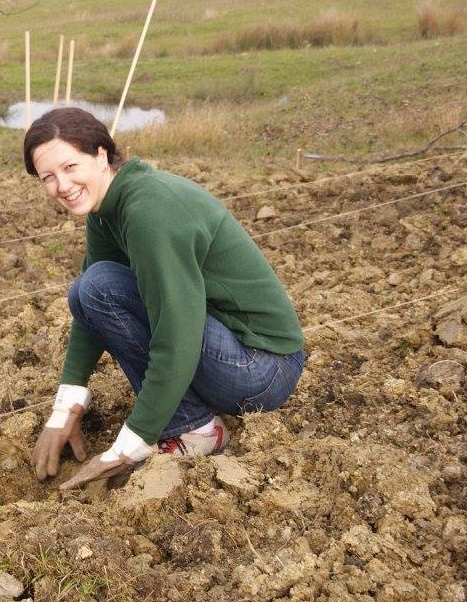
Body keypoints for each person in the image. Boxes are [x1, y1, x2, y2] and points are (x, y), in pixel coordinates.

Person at [24, 108, 306, 490]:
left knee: (98, 287)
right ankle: (191, 417)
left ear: (101, 154)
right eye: (48, 177)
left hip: (263, 369)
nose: (62, 185)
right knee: (88, 289)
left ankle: (196, 430)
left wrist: (128, 446)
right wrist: (65, 409)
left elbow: (177, 336)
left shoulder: (150, 211)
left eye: (70, 166)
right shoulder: (105, 211)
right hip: (230, 349)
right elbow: (90, 310)